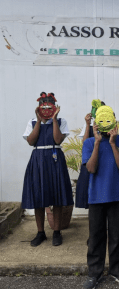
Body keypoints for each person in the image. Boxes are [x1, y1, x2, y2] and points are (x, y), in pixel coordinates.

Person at [81, 106, 119, 289]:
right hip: (96, 197)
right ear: (96, 123)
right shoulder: (88, 143)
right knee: (95, 236)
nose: (104, 125)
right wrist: (96, 143)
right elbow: (91, 169)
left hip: (116, 195)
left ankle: (116, 269)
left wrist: (112, 143)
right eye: (100, 121)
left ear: (114, 121)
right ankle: (94, 272)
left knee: (116, 235)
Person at [22, 92, 73, 247]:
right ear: (39, 107)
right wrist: (39, 120)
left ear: (54, 107)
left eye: (49, 105)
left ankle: (56, 232)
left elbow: (58, 139)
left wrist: (54, 119)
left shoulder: (61, 121)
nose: (46, 108)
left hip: (55, 158)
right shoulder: (31, 122)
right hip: (37, 160)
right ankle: (40, 233)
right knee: (38, 197)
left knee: (56, 197)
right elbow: (31, 141)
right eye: (43, 105)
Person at [76, 101, 105, 210]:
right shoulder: (89, 125)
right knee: (88, 189)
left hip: (103, 160)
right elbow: (85, 143)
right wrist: (88, 124)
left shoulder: (108, 124)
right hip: (90, 160)